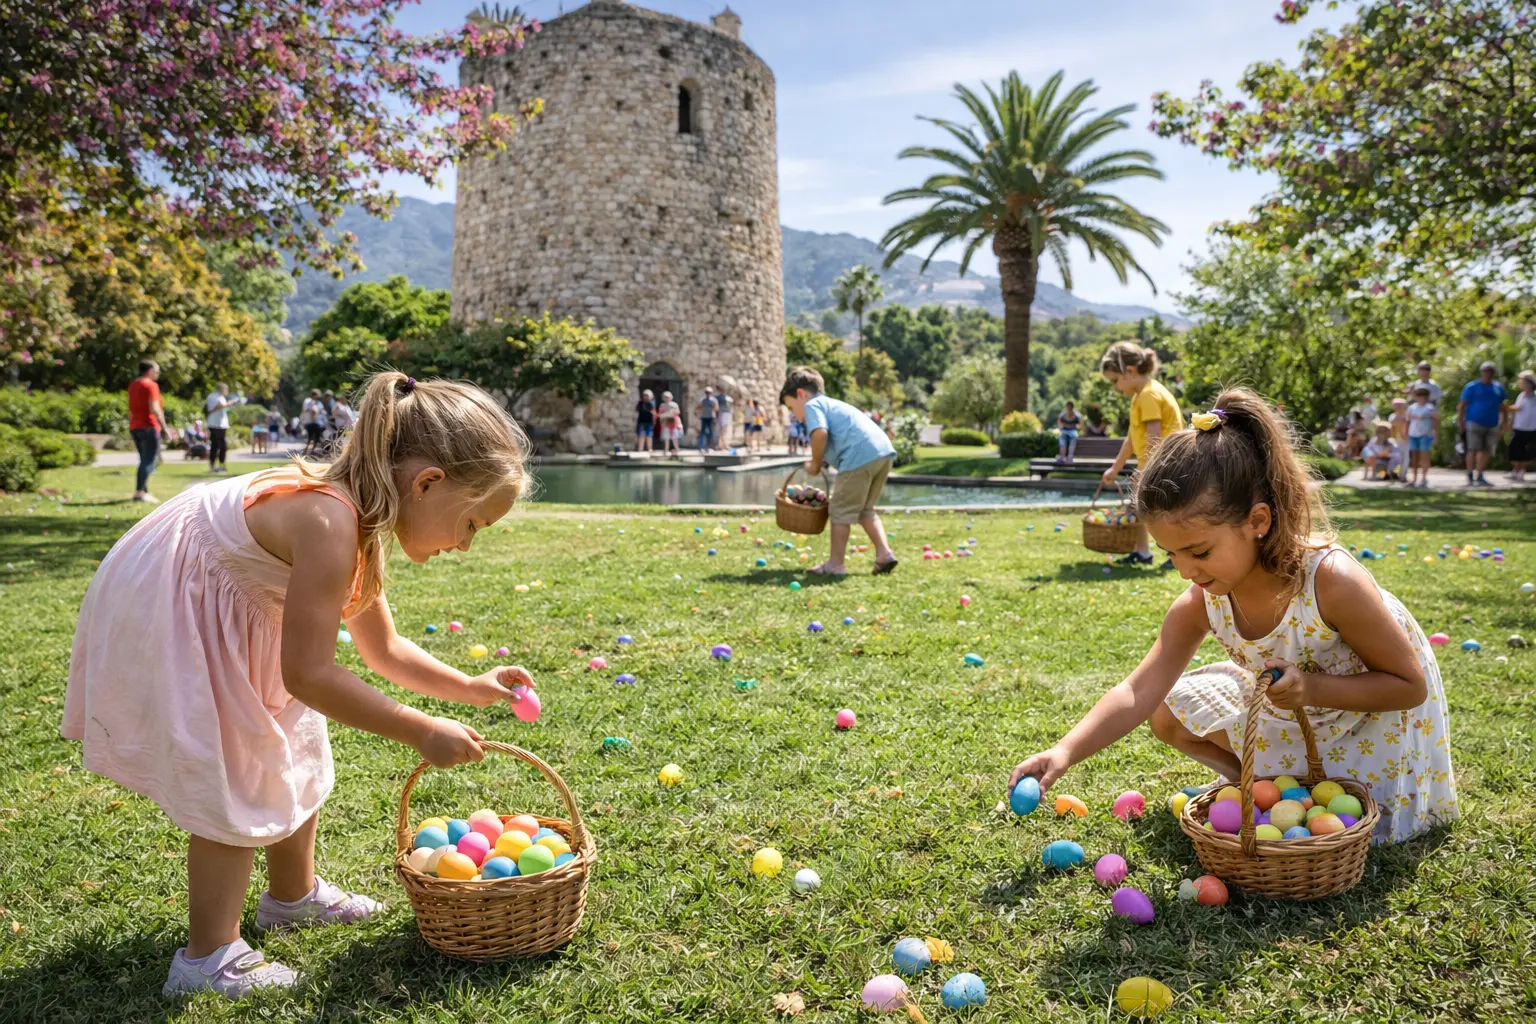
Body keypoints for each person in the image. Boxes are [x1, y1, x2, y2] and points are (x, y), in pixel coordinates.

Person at [63, 372, 537, 999]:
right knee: (239, 761)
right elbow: (310, 673)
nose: (467, 545)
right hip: (176, 602)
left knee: (295, 735)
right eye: (472, 524)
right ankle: (207, 955)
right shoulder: (329, 520)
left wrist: (471, 687)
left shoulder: (358, 520)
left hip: (232, 607)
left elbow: (383, 650)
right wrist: (420, 729)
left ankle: (291, 896)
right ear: (427, 484)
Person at [1007, 388, 1457, 846]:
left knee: (1343, 821)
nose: (1184, 569)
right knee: (1167, 713)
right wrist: (1065, 750)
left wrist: (1310, 687)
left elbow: (1408, 685)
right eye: (1170, 554)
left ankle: (1295, 785)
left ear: (1257, 521)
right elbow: (1138, 688)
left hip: (1370, 717)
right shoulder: (1204, 597)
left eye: (1199, 551)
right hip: (1292, 706)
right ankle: (1254, 786)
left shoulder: (1331, 581)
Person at [781, 366, 898, 576]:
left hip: (858, 456)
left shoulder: (813, 405)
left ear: (801, 394)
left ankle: (836, 564)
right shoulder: (832, 404)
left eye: (791, 408)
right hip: (883, 452)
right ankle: (884, 554)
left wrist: (815, 465)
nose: (795, 416)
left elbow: (819, 434)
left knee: (839, 511)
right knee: (865, 510)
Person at [1099, 341, 1185, 565]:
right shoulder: (1140, 396)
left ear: (1130, 371)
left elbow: (1155, 437)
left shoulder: (1149, 395)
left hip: (1165, 466)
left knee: (1165, 513)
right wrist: (1115, 468)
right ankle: (1143, 552)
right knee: (1137, 508)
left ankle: (1178, 553)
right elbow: (1132, 438)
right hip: (1155, 465)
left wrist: (1147, 471)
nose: (1116, 387)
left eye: (1115, 380)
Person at [1457, 361, 1506, 487]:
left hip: (1492, 423)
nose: (1488, 374)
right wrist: (1461, 422)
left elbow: (1502, 406)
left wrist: (1505, 423)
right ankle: (1469, 474)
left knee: (1486, 450)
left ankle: (1480, 474)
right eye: (1485, 371)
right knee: (1472, 449)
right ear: (1481, 372)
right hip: (1473, 422)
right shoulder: (1472, 387)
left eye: (1490, 371)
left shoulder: (1498, 388)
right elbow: (1462, 406)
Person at [127, 360, 168, 503]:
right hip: (149, 426)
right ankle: (139, 493)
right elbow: (155, 408)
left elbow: (131, 408)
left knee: (144, 460)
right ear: (150, 371)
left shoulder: (133, 385)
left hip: (135, 427)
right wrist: (165, 428)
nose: (158, 374)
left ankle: (143, 491)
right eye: (157, 371)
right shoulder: (151, 385)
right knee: (150, 460)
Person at [204, 383, 245, 474]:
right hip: (214, 424)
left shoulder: (221, 397)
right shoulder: (213, 396)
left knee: (223, 446)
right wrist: (229, 403)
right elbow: (215, 407)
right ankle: (212, 466)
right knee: (215, 445)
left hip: (222, 425)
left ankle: (221, 465)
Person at [1405, 385, 1440, 488]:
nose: (1421, 398)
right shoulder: (1412, 407)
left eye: (1424, 396)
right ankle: (1414, 478)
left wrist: (1436, 434)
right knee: (1414, 457)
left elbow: (1436, 421)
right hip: (1413, 434)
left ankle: (1424, 478)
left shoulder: (1430, 408)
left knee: (1425, 456)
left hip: (1425, 434)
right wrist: (1405, 432)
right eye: (1419, 396)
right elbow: (1407, 421)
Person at [1507, 370, 1536, 483]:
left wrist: (1507, 408)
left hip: (1532, 428)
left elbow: (1519, 408)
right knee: (1515, 451)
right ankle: (1517, 470)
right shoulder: (1521, 396)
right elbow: (1518, 408)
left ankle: (1520, 471)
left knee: (1528, 452)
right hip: (1519, 427)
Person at [657, 390, 682, 456]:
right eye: (665, 397)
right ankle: (666, 449)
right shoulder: (662, 405)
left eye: (668, 397)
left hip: (673, 423)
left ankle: (677, 449)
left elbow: (677, 413)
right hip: (665, 422)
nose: (666, 398)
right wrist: (662, 420)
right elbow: (660, 414)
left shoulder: (674, 404)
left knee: (674, 437)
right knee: (666, 437)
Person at [300, 389, 324, 456]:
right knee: (313, 438)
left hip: (310, 422)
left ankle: (307, 452)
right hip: (311, 422)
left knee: (312, 438)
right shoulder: (310, 401)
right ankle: (308, 453)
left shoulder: (310, 401)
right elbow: (313, 411)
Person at [696, 387, 718, 452]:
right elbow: (698, 407)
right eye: (707, 392)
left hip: (710, 417)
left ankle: (709, 447)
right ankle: (702, 447)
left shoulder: (713, 400)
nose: (708, 393)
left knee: (710, 433)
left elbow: (716, 408)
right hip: (705, 417)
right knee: (704, 432)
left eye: (708, 392)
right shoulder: (703, 400)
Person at [715, 386, 733, 451]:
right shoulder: (717, 397)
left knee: (723, 430)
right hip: (722, 413)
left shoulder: (727, 398)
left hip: (725, 413)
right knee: (722, 430)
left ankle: (722, 445)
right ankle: (721, 445)